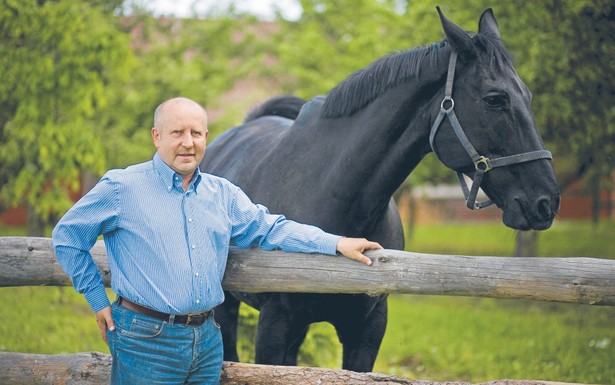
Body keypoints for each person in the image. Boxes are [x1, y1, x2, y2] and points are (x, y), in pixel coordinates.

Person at [52, 97, 381, 384]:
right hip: (145, 336)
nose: (187, 142)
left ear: (206, 137)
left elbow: (271, 228)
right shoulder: (123, 188)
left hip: (206, 339)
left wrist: (335, 243)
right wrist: (97, 300)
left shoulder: (221, 193)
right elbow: (67, 238)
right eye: (177, 132)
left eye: (195, 133)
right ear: (157, 136)